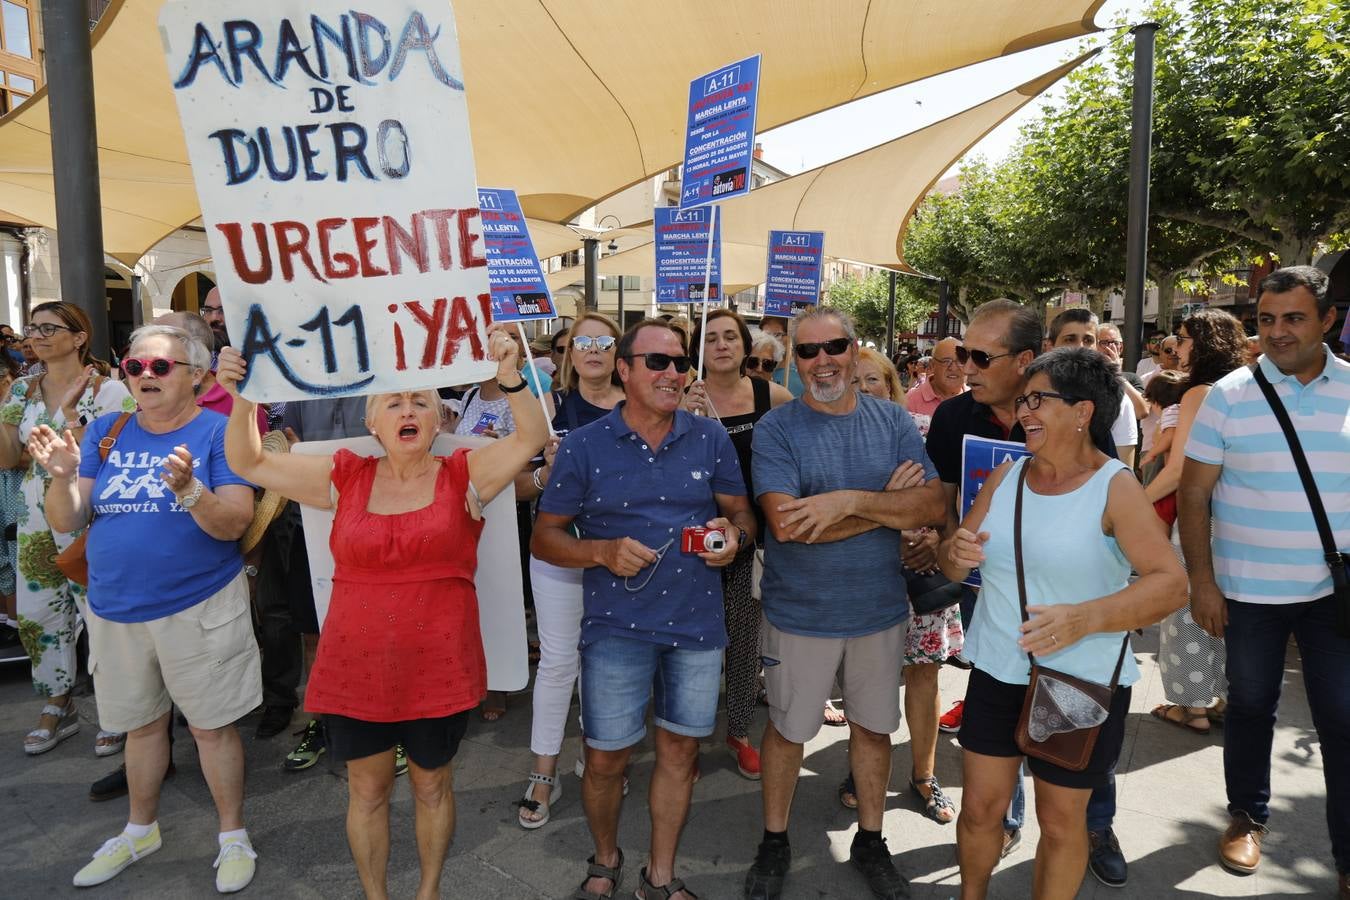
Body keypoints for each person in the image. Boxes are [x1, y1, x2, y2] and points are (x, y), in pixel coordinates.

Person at [220, 322, 547, 900]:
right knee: (366, 792)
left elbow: (531, 437)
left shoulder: (464, 474)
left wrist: (511, 377)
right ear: (372, 422)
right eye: (393, 402)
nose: (407, 409)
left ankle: (428, 893)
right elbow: (247, 461)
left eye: (420, 401)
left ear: (438, 419)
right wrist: (247, 393)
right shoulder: (343, 476)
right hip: (356, 666)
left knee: (432, 787)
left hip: (438, 666)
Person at [939, 347, 1185, 900]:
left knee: (1059, 822)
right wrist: (952, 553)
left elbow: (1171, 584)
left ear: (1082, 411)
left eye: (1037, 400)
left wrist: (1086, 618)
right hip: (998, 668)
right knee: (979, 809)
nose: (1023, 410)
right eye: (1022, 400)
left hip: (1078, 681)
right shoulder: (1006, 475)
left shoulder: (1115, 486)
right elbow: (954, 563)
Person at [29, 323, 261, 892]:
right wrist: (62, 478)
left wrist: (190, 492)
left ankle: (233, 834)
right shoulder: (107, 429)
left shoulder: (219, 431)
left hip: (199, 604)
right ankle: (140, 830)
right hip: (115, 608)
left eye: (160, 366)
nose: (144, 376)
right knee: (140, 727)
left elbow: (235, 522)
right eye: (135, 366)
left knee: (211, 729)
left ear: (197, 376)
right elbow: (68, 518)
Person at [533, 318, 756, 900]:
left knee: (679, 754)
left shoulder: (710, 438)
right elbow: (544, 537)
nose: (672, 373)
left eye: (680, 362)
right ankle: (605, 858)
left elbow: (742, 514)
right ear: (625, 370)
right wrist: (600, 551)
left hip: (696, 627)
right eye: (657, 362)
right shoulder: (584, 445)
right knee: (605, 760)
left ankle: (660, 874)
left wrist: (734, 537)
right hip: (616, 628)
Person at [743, 307, 945, 900]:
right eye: (808, 351)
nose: (822, 360)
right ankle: (774, 840)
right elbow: (787, 525)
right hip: (799, 613)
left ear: (855, 351)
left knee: (874, 729)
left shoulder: (892, 420)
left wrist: (844, 503)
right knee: (787, 731)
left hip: (878, 610)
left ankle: (871, 840)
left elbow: (932, 504)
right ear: (794, 359)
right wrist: (884, 506)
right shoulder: (778, 428)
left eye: (834, 347)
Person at [924, 299, 1127, 881]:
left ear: (1025, 360)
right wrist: (948, 548)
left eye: (980, 356)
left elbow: (1137, 551)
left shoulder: (1094, 449)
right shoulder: (959, 422)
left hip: (1075, 655)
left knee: (1067, 801)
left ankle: (1095, 825)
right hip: (992, 622)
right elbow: (947, 513)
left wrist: (1088, 616)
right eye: (963, 354)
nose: (966, 367)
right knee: (985, 793)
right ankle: (1002, 828)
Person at [1179, 267, 1350, 897]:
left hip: (1335, 595)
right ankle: (1247, 815)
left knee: (1343, 721)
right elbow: (1194, 494)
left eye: (1294, 318)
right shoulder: (1228, 395)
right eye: (1267, 319)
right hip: (1249, 592)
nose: (1277, 332)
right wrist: (1202, 582)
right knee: (1250, 705)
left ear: (1327, 319)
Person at [0, 302, 134, 756]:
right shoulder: (22, 389)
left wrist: (68, 432)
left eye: (48, 328)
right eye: (33, 327)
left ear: (79, 338)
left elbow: (116, 453)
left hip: (90, 510)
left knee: (100, 613)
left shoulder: (107, 390)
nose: (36, 335)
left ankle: (120, 708)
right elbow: (6, 457)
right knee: (37, 614)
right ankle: (59, 704)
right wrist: (5, 409)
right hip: (32, 514)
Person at [840, 345, 962, 826]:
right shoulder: (836, 441)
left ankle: (924, 775)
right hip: (865, 575)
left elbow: (944, 501)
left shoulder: (923, 433)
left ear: (892, 387)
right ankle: (862, 769)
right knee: (865, 680)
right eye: (854, 380)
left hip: (921, 575)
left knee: (924, 677)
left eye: (872, 379)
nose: (863, 388)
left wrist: (934, 540)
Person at [515, 312, 626, 830]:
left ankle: (597, 759)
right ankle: (543, 774)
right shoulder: (549, 409)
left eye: (604, 341)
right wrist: (545, 472)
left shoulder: (641, 408)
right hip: (560, 554)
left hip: (621, 556)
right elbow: (516, 487)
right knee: (559, 663)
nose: (594, 349)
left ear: (620, 354)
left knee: (607, 663)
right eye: (584, 342)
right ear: (569, 354)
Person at [684, 309, 793, 781]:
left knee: (746, 638)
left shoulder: (773, 397)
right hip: (692, 538)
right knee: (693, 641)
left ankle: (740, 731)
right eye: (710, 338)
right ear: (698, 350)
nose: (722, 345)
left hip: (752, 536)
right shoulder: (682, 397)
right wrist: (682, 417)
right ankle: (686, 735)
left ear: (746, 347)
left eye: (730, 336)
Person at [1145, 309, 1248, 735]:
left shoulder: (1198, 393)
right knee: (1229, 612)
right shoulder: (1246, 387)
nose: (1177, 347)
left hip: (1201, 515)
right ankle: (1224, 698)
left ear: (1204, 344)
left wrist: (1135, 503)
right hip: (1241, 518)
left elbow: (1179, 469)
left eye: (1184, 338)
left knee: (1186, 609)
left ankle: (1191, 707)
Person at [1046, 310, 1138, 468]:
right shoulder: (1031, 393)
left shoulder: (1118, 400)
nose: (1080, 346)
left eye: (1088, 340)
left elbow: (1124, 470)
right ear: (1050, 346)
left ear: (1096, 347)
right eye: (1070, 339)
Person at [905, 336, 966, 436]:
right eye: (946, 361)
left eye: (961, 361)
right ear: (932, 365)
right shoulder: (910, 401)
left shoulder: (978, 401)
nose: (954, 367)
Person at [758, 315, 804, 397]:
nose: (771, 340)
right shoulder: (755, 367)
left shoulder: (803, 371)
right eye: (766, 335)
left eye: (777, 335)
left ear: (791, 336)